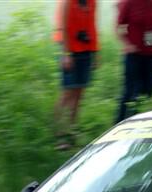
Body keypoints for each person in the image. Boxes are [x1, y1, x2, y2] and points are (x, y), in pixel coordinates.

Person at [53, 0, 98, 150]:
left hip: (84, 48)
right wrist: (66, 54)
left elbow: (92, 24)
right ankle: (59, 134)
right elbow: (63, 27)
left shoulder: (92, 1)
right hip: (68, 49)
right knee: (67, 93)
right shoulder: (67, 2)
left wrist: (96, 52)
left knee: (79, 93)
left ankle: (71, 132)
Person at [115, 0, 152, 123]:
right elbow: (118, 27)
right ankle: (120, 124)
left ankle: (139, 123)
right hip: (134, 55)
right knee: (131, 92)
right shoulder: (129, 2)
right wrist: (127, 44)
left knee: (148, 92)